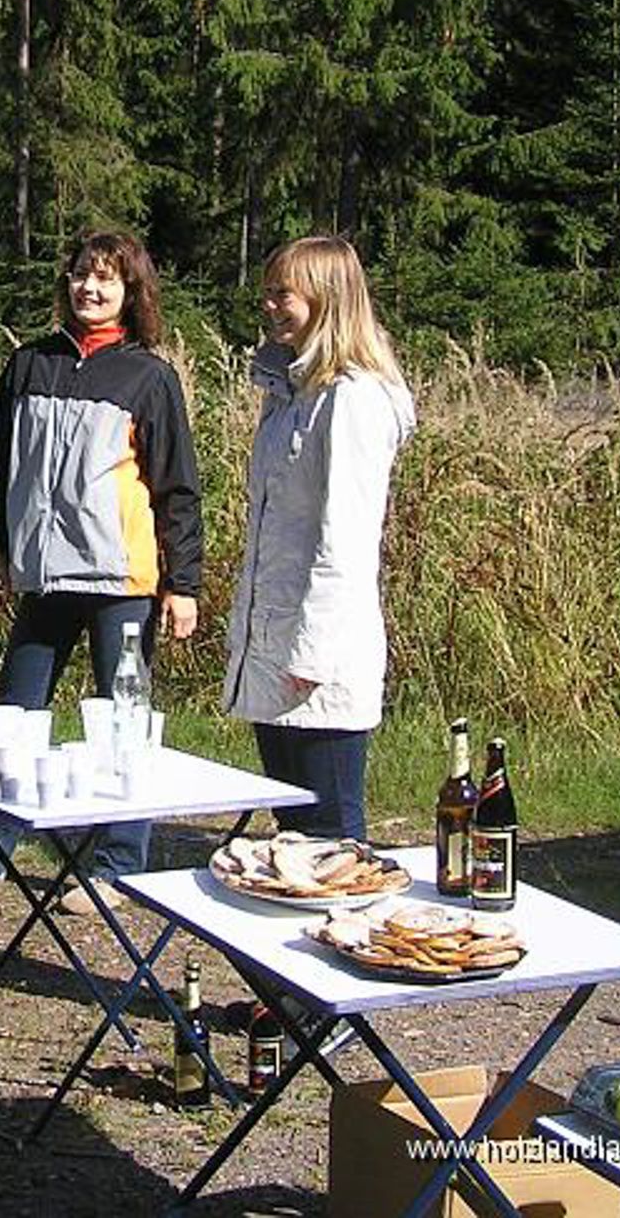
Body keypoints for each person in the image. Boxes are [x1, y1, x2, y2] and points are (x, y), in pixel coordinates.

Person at [0, 228, 203, 912]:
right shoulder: (28, 364)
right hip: (42, 576)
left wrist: (183, 584)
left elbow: (177, 487)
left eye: (106, 278)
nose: (90, 288)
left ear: (132, 291)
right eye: (81, 274)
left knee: (123, 727)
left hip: (121, 582)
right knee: (14, 716)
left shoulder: (149, 378)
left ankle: (116, 866)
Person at [223, 234, 415, 845]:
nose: (270, 306)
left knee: (332, 835)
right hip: (275, 639)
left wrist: (313, 655)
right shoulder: (290, 393)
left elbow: (347, 541)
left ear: (327, 296)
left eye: (283, 293)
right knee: (293, 829)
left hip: (319, 654)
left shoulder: (354, 400)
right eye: (267, 293)